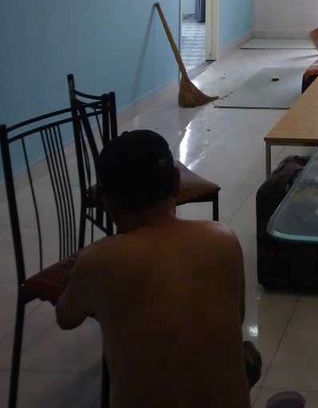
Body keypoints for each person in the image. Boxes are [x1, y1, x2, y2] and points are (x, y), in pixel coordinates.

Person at [55, 130, 259, 408]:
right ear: (176, 182)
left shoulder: (97, 261)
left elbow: (66, 317)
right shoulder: (223, 239)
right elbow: (237, 317)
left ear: (105, 200)